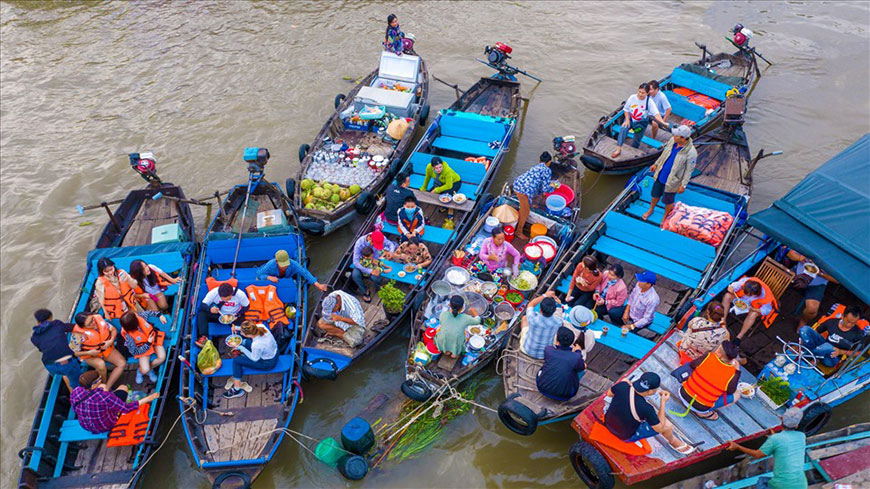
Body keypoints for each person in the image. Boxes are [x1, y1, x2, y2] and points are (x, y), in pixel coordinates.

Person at [603, 372, 694, 454]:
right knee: (667, 425)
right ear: (650, 391)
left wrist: (626, 383)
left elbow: (609, 394)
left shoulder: (622, 385)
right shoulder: (647, 408)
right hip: (624, 435)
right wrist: (663, 402)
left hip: (608, 422)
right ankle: (674, 442)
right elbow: (659, 428)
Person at [728, 407, 808, 489]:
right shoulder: (801, 436)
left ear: (781, 419)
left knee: (761, 482)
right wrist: (774, 437)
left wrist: (737, 446)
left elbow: (757, 454)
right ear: (796, 425)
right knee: (763, 481)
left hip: (781, 485)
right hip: (801, 485)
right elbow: (786, 444)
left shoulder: (776, 439)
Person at [71, 370, 158, 434]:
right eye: (99, 379)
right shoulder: (104, 397)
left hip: (86, 426)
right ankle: (115, 411)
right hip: (106, 425)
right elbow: (126, 408)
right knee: (123, 387)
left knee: (104, 388)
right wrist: (148, 398)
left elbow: (75, 410)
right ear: (93, 385)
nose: (101, 380)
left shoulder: (75, 392)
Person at [641, 125, 697, 222]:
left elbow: (689, 170)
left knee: (668, 201)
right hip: (661, 174)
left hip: (672, 181)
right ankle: (651, 209)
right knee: (655, 195)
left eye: (676, 135)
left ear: (683, 138)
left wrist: (683, 185)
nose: (673, 136)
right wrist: (656, 164)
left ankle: (666, 215)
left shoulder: (691, 153)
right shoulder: (672, 141)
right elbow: (664, 154)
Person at [678, 341, 741, 420]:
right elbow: (730, 391)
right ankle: (702, 413)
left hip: (682, 393)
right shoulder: (733, 373)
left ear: (719, 354)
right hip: (700, 407)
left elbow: (692, 365)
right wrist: (737, 370)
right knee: (737, 395)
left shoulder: (708, 356)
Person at [611, 83, 671, 159]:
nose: (640, 94)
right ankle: (618, 149)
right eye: (639, 92)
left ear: (647, 93)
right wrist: (626, 120)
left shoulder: (649, 102)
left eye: (643, 93)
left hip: (641, 123)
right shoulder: (632, 97)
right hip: (631, 119)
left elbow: (656, 114)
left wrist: (663, 123)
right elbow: (626, 109)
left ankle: (633, 153)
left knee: (637, 140)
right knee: (623, 129)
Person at [222, 321, 278, 399]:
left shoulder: (256, 345)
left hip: (267, 363)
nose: (240, 333)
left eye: (242, 332)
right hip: (274, 352)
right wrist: (237, 328)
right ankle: (242, 351)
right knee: (245, 342)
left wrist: (242, 349)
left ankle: (237, 389)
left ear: (248, 334)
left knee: (237, 361)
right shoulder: (261, 327)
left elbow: (254, 359)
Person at [72, 311, 127, 389]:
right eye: (90, 323)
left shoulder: (98, 320)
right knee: (101, 365)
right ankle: (102, 384)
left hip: (106, 349)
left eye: (92, 319)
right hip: (89, 355)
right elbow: (73, 353)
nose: (93, 322)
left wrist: (110, 341)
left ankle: (106, 388)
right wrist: (89, 352)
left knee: (122, 363)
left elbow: (113, 330)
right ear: (83, 327)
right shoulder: (78, 335)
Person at [798, 305, 866, 367]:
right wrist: (806, 341)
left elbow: (859, 352)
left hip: (832, 358)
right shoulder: (832, 322)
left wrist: (840, 351)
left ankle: (807, 354)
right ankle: (812, 354)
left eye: (853, 323)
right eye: (848, 321)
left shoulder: (858, 333)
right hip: (822, 346)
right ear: (842, 316)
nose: (850, 325)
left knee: (828, 347)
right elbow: (816, 332)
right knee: (805, 329)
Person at [31, 309, 82, 392]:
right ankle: (77, 397)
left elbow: (42, 349)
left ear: (37, 321)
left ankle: (71, 392)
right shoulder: (57, 324)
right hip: (67, 364)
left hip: (50, 366)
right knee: (77, 384)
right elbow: (71, 327)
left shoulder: (34, 337)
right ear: (50, 317)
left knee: (64, 374)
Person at [787, 249, 839, 328]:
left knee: (812, 309)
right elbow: (790, 254)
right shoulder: (812, 245)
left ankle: (803, 321)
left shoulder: (837, 258)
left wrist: (820, 273)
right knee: (774, 280)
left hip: (817, 284)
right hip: (798, 273)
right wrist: (800, 258)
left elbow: (837, 280)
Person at [536, 326, 586, 401]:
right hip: (566, 395)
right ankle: (571, 382)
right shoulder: (576, 357)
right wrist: (578, 351)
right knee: (584, 367)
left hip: (542, 387)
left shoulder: (548, 350)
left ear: (557, 341)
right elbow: (582, 366)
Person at [512, 152, 554, 239]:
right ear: (549, 162)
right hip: (524, 190)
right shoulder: (547, 170)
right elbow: (545, 188)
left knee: (524, 205)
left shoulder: (536, 167)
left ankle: (519, 219)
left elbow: (537, 184)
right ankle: (518, 232)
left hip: (517, 184)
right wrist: (553, 188)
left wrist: (542, 193)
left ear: (540, 160)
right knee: (525, 212)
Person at [720, 276, 775, 342]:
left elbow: (766, 311)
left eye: (748, 294)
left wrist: (753, 309)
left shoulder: (766, 297)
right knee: (727, 296)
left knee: (754, 314)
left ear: (755, 295)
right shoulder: (746, 282)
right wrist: (731, 288)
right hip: (741, 300)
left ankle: (739, 337)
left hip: (753, 307)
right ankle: (723, 321)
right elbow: (734, 286)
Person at [607, 270, 660, 339]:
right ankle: (620, 326)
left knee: (629, 336)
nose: (638, 281)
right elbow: (631, 297)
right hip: (631, 310)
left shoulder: (653, 300)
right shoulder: (638, 285)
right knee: (612, 312)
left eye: (641, 280)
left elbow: (646, 319)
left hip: (639, 319)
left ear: (648, 284)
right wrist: (626, 311)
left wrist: (631, 326)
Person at [120, 311, 166, 384]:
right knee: (145, 369)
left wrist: (159, 315)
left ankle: (150, 369)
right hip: (142, 347)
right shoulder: (128, 336)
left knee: (162, 357)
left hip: (153, 338)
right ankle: (141, 371)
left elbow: (149, 313)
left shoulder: (139, 316)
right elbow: (134, 351)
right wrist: (148, 344)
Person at [352, 229, 397, 302]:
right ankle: (365, 290)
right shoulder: (359, 244)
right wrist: (370, 271)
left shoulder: (380, 237)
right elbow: (356, 262)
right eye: (375, 245)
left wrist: (391, 252)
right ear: (370, 239)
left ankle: (378, 286)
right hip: (363, 263)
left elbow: (390, 244)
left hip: (375, 261)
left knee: (376, 277)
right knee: (355, 275)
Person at [255, 249, 327, 292]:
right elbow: (259, 274)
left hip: (286, 279)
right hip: (272, 282)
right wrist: (268, 277)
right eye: (282, 265)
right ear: (276, 262)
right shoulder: (270, 264)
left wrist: (318, 284)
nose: (284, 267)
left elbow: (304, 272)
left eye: (286, 264)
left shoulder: (293, 263)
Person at [519, 292, 563, 359]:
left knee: (524, 318)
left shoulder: (532, 318)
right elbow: (559, 312)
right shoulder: (558, 322)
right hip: (544, 355)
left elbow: (531, 304)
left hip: (526, 349)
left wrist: (545, 295)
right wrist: (559, 304)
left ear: (540, 309)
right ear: (554, 311)